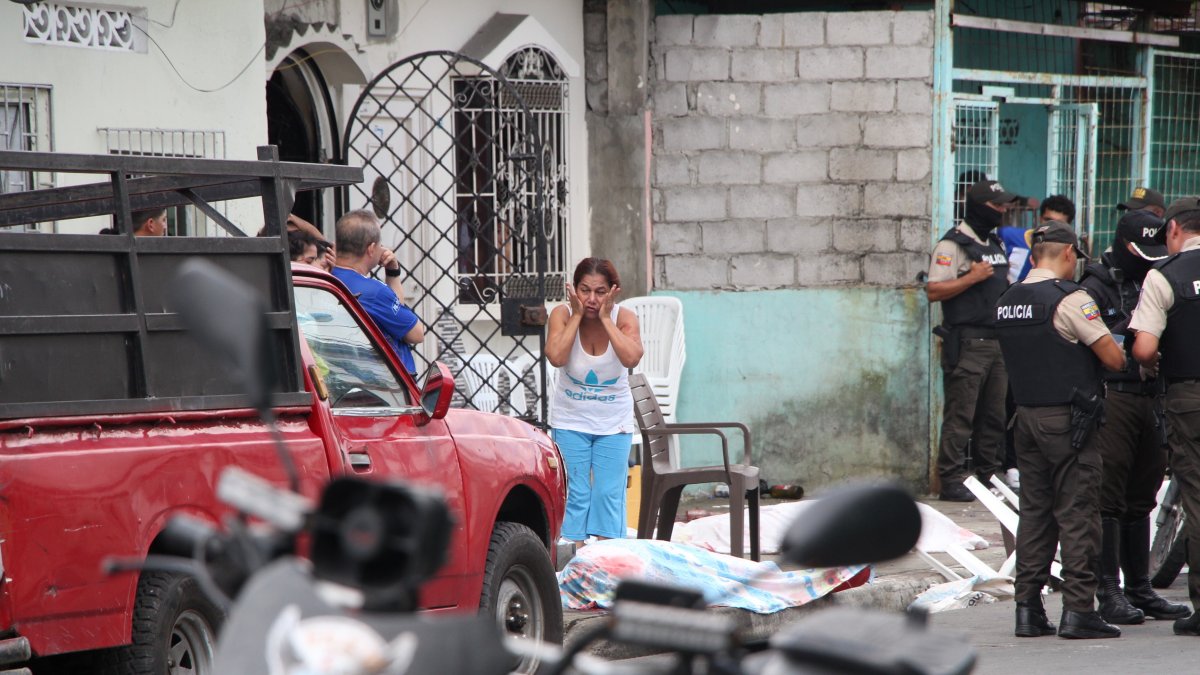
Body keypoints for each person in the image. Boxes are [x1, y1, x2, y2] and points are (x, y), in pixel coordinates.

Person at [995, 220, 1126, 640]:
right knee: (1077, 512)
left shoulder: (1008, 299)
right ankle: (1078, 610)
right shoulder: (1071, 300)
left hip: (1025, 419)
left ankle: (1028, 609)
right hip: (1068, 421)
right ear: (1069, 253)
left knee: (1034, 513)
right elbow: (1114, 359)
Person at [1079, 193, 1190, 625]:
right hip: (1115, 395)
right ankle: (1108, 591)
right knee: (1108, 497)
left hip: (1152, 395)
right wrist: (1134, 329)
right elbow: (1088, 339)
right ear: (1125, 246)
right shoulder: (1095, 285)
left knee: (1142, 496)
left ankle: (1139, 588)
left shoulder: (1158, 277)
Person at [1130, 197, 1200, 636]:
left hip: (1189, 396)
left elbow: (1143, 348)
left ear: (1174, 229)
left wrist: (1153, 361)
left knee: (1197, 498)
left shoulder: (1165, 275)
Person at [927, 179, 1021, 502]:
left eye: (1004, 206)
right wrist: (971, 277)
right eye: (996, 206)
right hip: (968, 343)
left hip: (997, 343)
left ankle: (989, 474)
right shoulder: (951, 245)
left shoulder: (994, 243)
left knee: (994, 416)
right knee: (961, 415)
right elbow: (933, 290)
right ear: (979, 207)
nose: (1002, 211)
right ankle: (951, 479)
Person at [545, 258, 643, 545]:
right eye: (584, 290)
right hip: (570, 421)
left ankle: (606, 561)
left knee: (607, 494)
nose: (591, 299)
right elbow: (556, 357)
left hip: (614, 424)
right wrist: (576, 316)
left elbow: (631, 358)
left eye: (600, 292)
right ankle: (573, 561)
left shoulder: (624, 318)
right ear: (573, 290)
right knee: (574, 494)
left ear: (613, 292)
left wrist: (606, 319)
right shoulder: (562, 314)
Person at [331, 210, 424, 375]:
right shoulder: (374, 292)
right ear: (371, 249)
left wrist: (392, 272)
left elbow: (394, 311)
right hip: (386, 381)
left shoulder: (327, 275)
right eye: (380, 245)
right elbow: (416, 334)